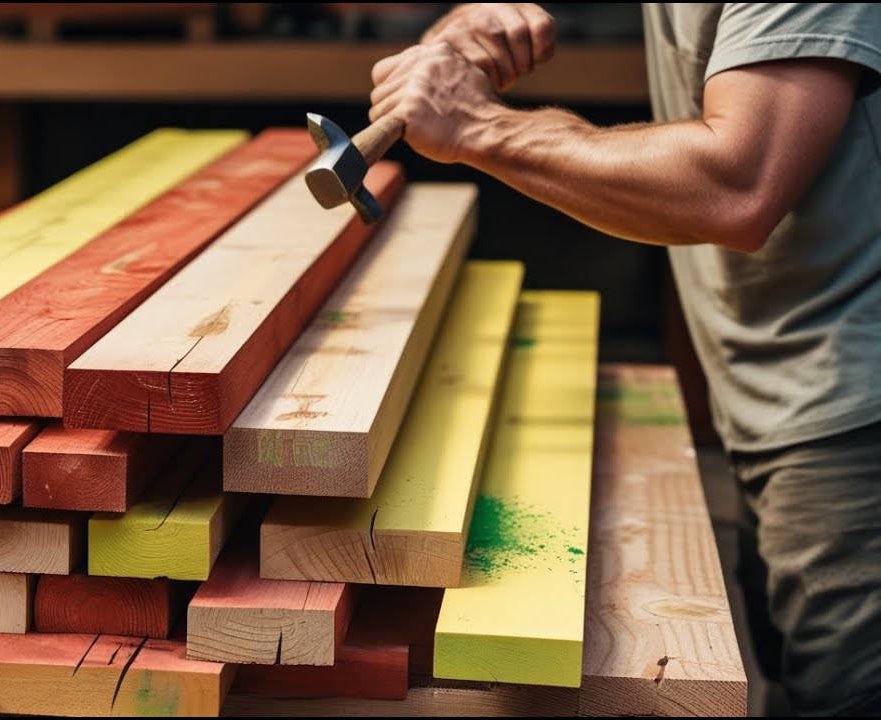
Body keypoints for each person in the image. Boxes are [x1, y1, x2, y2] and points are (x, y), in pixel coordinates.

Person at [369, 2, 881, 716]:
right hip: (773, 394)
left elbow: (736, 184)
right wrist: (455, 43)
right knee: (791, 678)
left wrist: (476, 126)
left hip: (849, 416)